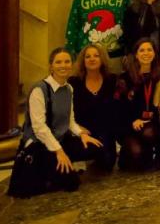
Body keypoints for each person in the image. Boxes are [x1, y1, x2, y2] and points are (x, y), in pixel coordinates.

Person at [7, 47, 103, 197]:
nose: (63, 65)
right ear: (51, 66)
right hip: (40, 144)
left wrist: (82, 134)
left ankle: (56, 166)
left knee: (95, 148)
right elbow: (39, 128)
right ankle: (47, 170)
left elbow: (70, 121)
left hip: (60, 139)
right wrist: (59, 151)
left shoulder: (69, 89)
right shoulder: (40, 90)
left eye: (67, 61)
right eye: (58, 62)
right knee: (72, 183)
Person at [65, 0, 132, 70]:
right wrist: (71, 52)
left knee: (114, 85)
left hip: (115, 54)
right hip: (87, 55)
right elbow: (73, 24)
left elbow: (131, 25)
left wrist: (129, 51)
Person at [115, 38, 160, 170]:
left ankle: (156, 155)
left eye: (149, 50)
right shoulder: (125, 78)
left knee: (149, 134)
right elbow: (119, 107)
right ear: (136, 54)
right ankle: (129, 153)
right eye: (142, 50)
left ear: (154, 53)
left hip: (151, 123)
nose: (146, 53)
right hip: (131, 124)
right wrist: (132, 121)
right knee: (136, 154)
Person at [69, 43, 118, 170]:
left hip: (105, 131)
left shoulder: (112, 80)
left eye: (96, 56)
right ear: (82, 61)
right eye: (88, 56)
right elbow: (68, 112)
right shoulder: (74, 83)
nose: (92, 59)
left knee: (107, 164)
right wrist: (78, 129)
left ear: (102, 59)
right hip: (82, 131)